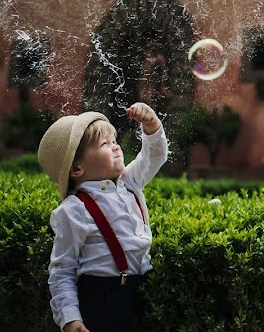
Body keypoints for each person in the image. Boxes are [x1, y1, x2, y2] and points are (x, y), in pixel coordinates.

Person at [38, 103, 168, 332]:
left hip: (142, 293)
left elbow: (154, 156)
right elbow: (62, 270)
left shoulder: (130, 182)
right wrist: (70, 318)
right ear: (77, 169)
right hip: (101, 301)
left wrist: (151, 126)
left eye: (115, 141)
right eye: (105, 144)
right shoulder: (74, 209)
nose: (116, 147)